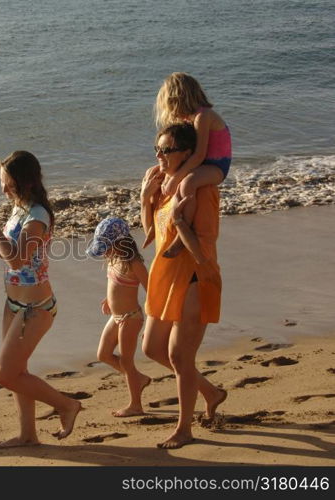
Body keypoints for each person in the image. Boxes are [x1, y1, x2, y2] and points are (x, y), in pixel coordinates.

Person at [0, 151, 81, 448]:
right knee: (18, 372)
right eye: (1, 182)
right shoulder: (19, 208)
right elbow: (9, 252)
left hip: (36, 308)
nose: (3, 189)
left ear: (25, 183)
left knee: (5, 375)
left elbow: (17, 260)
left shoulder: (38, 216)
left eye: (8, 183)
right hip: (14, 304)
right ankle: (28, 434)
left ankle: (67, 405)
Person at [140, 124, 228, 449]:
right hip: (165, 279)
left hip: (196, 279)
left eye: (166, 150)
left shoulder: (202, 192)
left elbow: (203, 255)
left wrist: (179, 222)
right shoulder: (167, 186)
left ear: (188, 154)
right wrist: (144, 198)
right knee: (151, 348)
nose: (159, 156)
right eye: (156, 149)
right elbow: (152, 237)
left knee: (179, 355)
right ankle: (211, 392)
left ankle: (184, 428)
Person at [154, 72, 232, 258]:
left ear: (178, 99)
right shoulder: (190, 118)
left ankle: (183, 235)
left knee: (188, 183)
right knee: (164, 175)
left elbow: (198, 155)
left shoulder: (202, 117)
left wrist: (174, 179)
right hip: (203, 163)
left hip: (217, 165)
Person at [87, 217, 150, 417]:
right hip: (116, 316)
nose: (103, 251)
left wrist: (151, 324)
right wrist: (109, 299)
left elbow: (152, 292)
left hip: (131, 318)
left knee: (126, 362)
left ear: (119, 243)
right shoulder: (112, 259)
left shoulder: (134, 263)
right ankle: (137, 379)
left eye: (106, 246)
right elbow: (116, 284)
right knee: (103, 354)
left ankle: (136, 405)